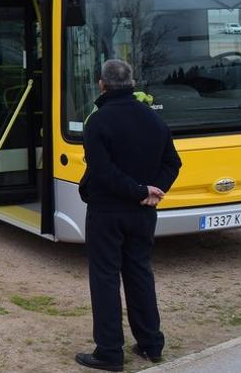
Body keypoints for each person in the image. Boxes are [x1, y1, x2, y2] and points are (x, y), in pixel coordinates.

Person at [76, 59, 182, 372]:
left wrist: (138, 190)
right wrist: (154, 190)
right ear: (132, 83)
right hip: (143, 213)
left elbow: (102, 171)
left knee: (106, 279)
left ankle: (109, 352)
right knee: (140, 274)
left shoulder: (98, 122)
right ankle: (151, 343)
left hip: (107, 211)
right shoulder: (153, 119)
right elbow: (173, 163)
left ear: (101, 84)